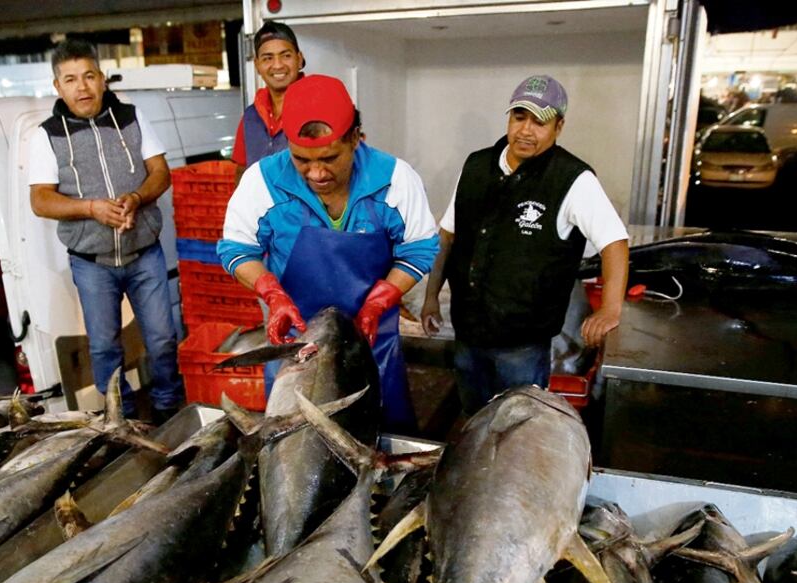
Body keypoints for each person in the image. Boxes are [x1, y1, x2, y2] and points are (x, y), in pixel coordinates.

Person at [219, 75, 439, 432]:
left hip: (371, 339)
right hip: (296, 342)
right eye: (302, 160)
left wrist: (379, 302)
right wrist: (272, 295)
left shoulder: (395, 179)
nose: (317, 173)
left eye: (330, 157)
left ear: (355, 137)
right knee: (294, 442)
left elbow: (418, 249)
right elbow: (237, 249)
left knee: (384, 437)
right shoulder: (262, 181)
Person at [421, 74, 629, 414]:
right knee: (474, 421)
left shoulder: (572, 179)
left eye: (540, 122)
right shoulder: (476, 166)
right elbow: (448, 235)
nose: (526, 130)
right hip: (468, 332)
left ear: (558, 126)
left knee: (518, 429)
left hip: (522, 346)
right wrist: (431, 297)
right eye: (519, 117)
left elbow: (615, 243)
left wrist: (610, 309)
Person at [29, 39, 185, 424]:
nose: (81, 87)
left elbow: (160, 173)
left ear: (102, 79)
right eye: (70, 80)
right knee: (103, 348)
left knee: (163, 339)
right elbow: (41, 201)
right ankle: (123, 416)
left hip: (144, 251)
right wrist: (91, 209)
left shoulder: (132, 117)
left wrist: (136, 197)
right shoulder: (47, 135)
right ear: (58, 87)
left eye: (88, 76)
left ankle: (169, 407)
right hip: (91, 263)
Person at [232, 21, 306, 181]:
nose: (278, 65)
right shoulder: (250, 116)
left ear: (299, 59)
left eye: (286, 56)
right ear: (257, 65)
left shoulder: (318, 105)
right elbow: (241, 170)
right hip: (261, 206)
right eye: (268, 58)